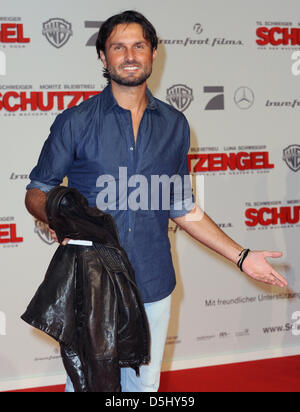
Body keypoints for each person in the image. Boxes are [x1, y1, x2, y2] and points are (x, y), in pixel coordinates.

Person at [25, 10, 288, 392]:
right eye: (118, 47)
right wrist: (58, 215)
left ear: (152, 54)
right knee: (87, 386)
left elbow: (182, 206)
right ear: (103, 56)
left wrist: (243, 257)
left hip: (152, 281)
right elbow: (37, 189)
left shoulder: (175, 125)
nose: (129, 55)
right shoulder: (76, 122)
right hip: (93, 284)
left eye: (138, 46)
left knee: (143, 388)